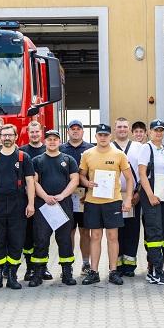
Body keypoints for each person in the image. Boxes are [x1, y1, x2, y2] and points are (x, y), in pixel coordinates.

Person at [0, 124, 36, 290]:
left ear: (15, 136)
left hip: (18, 203)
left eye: (9, 135)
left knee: (16, 241)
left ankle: (12, 276)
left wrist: (31, 203)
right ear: (0, 136)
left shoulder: (24, 157)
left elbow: (30, 181)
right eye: (4, 135)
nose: (6, 138)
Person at [78, 123, 133, 285]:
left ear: (110, 136)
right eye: (100, 135)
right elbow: (81, 175)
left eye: (105, 135)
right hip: (92, 202)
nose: (103, 137)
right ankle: (94, 272)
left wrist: (128, 199)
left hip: (113, 202)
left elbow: (129, 178)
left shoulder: (119, 154)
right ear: (95, 136)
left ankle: (113, 271)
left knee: (112, 236)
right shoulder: (87, 154)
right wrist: (86, 183)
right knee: (95, 236)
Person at [31, 129, 80, 286]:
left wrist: (63, 195)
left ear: (59, 141)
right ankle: (38, 273)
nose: (52, 141)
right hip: (43, 205)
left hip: (63, 204)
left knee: (64, 239)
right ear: (45, 141)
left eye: (55, 139)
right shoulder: (37, 160)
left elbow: (75, 180)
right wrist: (45, 196)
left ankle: (67, 273)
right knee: (41, 239)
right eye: (49, 139)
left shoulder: (68, 159)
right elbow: (33, 182)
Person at [137, 119, 164, 286]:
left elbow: (163, 170)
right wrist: (150, 195)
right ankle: (156, 273)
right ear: (149, 132)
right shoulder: (147, 148)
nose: (158, 133)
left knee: (162, 231)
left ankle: (154, 269)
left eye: (161, 130)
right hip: (151, 193)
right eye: (155, 130)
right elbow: (142, 174)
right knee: (154, 231)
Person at [59, 119, 94, 274]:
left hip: (85, 197)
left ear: (82, 131)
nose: (75, 131)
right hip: (66, 197)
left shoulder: (90, 149)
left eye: (78, 128)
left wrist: (90, 193)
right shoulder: (60, 149)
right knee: (68, 232)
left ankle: (86, 263)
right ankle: (68, 264)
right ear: (68, 131)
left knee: (85, 231)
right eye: (72, 128)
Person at [112, 117, 143, 277]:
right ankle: (116, 264)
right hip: (114, 196)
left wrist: (138, 194)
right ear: (114, 129)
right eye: (119, 127)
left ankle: (130, 265)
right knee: (115, 231)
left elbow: (145, 172)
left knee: (132, 230)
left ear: (129, 129)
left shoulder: (139, 147)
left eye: (125, 127)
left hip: (134, 195)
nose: (122, 129)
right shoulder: (109, 147)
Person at [20, 120, 48, 282]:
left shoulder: (48, 149)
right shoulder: (22, 152)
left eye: (37, 131)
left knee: (43, 235)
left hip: (44, 200)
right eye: (32, 132)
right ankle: (30, 268)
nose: (35, 134)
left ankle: (43, 267)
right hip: (27, 200)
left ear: (41, 132)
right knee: (28, 235)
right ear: (28, 134)